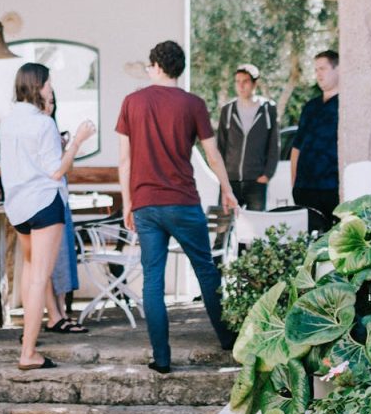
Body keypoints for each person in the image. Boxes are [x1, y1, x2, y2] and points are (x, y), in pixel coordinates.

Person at [116, 40, 238, 374]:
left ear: (155, 66)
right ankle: (228, 340)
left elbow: (124, 162)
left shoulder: (132, 102)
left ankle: (162, 358)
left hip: (146, 205)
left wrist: (128, 203)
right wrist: (227, 189)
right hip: (183, 203)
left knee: (152, 279)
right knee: (206, 271)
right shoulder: (193, 104)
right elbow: (212, 155)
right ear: (179, 69)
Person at [0, 63, 96, 370]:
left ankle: (29, 345)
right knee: (40, 277)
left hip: (18, 207)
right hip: (44, 203)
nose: (51, 88)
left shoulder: (8, 121)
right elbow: (57, 170)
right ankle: (28, 352)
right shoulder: (43, 124)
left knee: (31, 274)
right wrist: (78, 141)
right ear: (37, 86)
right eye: (48, 84)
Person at [44, 90, 86, 333]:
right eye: (47, 102)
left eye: (53, 102)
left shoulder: (50, 126)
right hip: (49, 197)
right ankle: (54, 315)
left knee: (63, 255)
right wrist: (74, 144)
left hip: (61, 197)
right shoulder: (42, 128)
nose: (50, 107)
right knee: (50, 258)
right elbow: (56, 169)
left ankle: (61, 310)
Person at [216, 63, 279, 211]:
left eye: (245, 81)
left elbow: (274, 145)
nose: (241, 86)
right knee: (223, 228)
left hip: (256, 181)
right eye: (237, 82)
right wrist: (222, 176)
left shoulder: (268, 109)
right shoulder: (228, 110)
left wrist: (267, 175)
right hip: (230, 181)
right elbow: (221, 145)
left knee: (255, 229)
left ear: (254, 83)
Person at [290, 50, 340, 232]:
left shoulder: (346, 105)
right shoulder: (310, 107)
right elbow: (297, 147)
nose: (318, 74)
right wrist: (294, 183)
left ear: (338, 70)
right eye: (316, 69)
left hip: (332, 189)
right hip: (304, 189)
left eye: (323, 68)